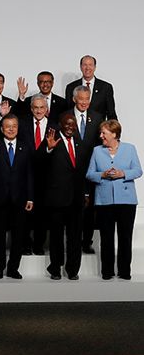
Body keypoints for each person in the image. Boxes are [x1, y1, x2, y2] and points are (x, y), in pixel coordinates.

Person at [86, 120, 142, 280]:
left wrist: (122, 173)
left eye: (104, 133)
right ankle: (107, 272)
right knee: (106, 238)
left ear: (114, 134)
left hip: (126, 201)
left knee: (125, 237)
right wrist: (102, 175)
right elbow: (89, 174)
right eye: (101, 133)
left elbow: (138, 170)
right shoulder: (97, 151)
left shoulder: (130, 149)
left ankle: (125, 272)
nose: (101, 136)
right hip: (104, 201)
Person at [41, 113, 91, 280]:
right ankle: (55, 268)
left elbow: (83, 172)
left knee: (75, 237)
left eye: (73, 124)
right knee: (56, 237)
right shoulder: (51, 140)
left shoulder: (80, 143)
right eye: (67, 124)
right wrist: (48, 149)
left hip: (76, 199)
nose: (70, 127)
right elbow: (38, 162)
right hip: (57, 198)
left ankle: (73, 270)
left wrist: (85, 192)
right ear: (60, 125)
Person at [0, 114, 33, 280]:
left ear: (18, 128)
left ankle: (13, 268)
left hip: (19, 199)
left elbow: (29, 174)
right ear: (2, 128)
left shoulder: (25, 147)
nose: (11, 129)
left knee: (18, 236)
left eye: (14, 126)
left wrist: (30, 197)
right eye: (8, 126)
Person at [61, 85, 103, 254]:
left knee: (90, 207)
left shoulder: (98, 117)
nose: (84, 102)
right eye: (81, 99)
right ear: (74, 99)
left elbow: (100, 144)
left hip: (91, 168)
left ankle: (87, 241)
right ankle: (73, 241)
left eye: (87, 98)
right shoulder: (64, 116)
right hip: (70, 169)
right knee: (71, 206)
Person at [18, 94, 55, 255]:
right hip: (25, 174)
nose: (39, 110)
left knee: (42, 213)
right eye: (36, 107)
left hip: (46, 177)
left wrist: (48, 149)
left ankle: (39, 244)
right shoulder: (22, 124)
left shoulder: (54, 127)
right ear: (31, 108)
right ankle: (25, 244)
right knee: (25, 212)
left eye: (42, 107)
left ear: (46, 109)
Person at [64, 54, 117, 121]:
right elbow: (68, 111)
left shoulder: (106, 87)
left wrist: (114, 129)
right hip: (77, 130)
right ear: (80, 67)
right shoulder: (71, 87)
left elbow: (111, 113)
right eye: (85, 65)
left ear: (95, 67)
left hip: (98, 129)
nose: (87, 68)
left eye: (90, 65)